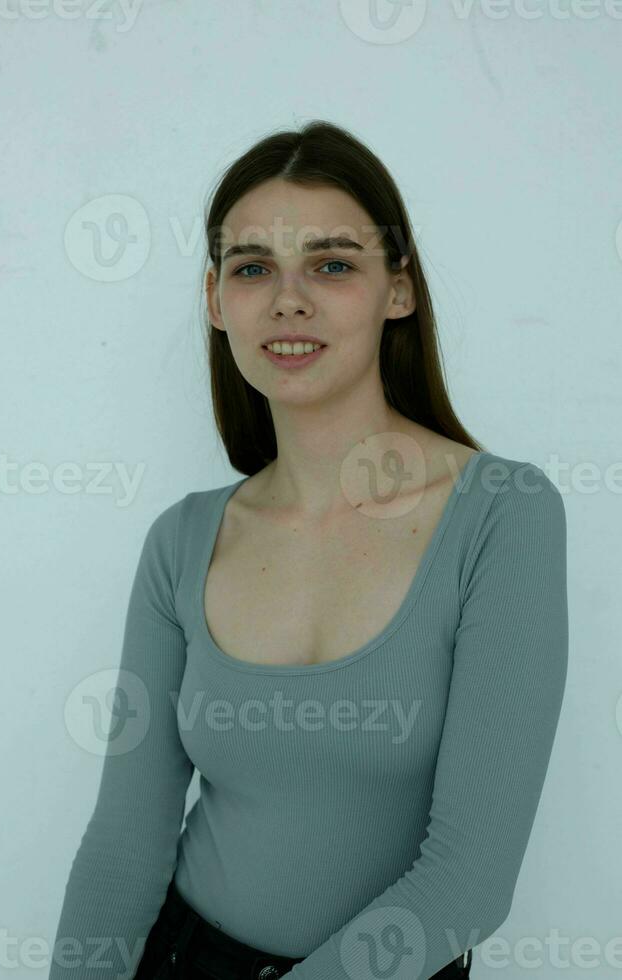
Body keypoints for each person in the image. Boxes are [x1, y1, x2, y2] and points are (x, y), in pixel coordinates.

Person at [48, 121, 568, 980]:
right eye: (253, 268)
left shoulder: (502, 517)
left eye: (332, 264)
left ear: (396, 290)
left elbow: (470, 880)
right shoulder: (181, 541)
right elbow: (123, 845)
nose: (289, 300)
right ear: (217, 302)